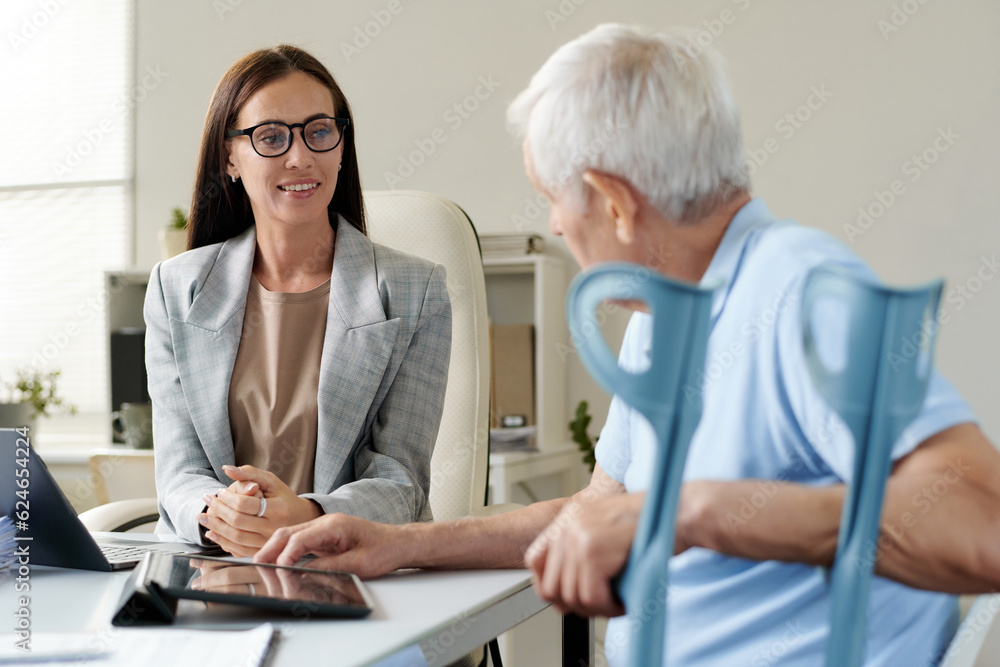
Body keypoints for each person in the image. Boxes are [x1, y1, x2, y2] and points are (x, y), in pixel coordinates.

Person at [255, 25, 1000, 665]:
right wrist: (398, 542)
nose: (553, 226)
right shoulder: (663, 312)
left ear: (612, 201)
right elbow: (600, 507)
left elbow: (981, 524)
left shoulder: (805, 293)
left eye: (553, 198)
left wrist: (688, 510)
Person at [145, 45, 452, 558]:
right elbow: (179, 469)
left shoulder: (413, 290)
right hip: (212, 561)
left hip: (349, 566)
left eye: (319, 131)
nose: (300, 156)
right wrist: (221, 513)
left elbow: (401, 482)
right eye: (270, 137)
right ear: (230, 158)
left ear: (340, 144)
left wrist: (307, 516)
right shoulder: (176, 288)